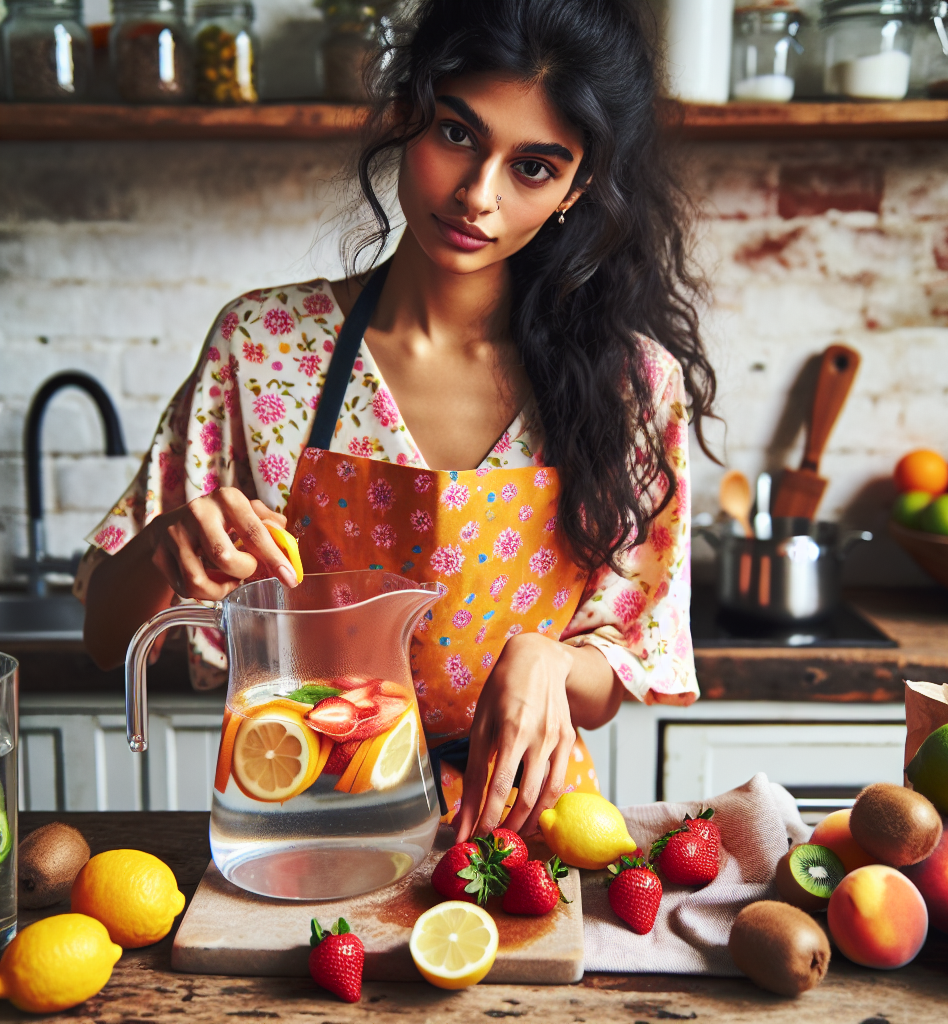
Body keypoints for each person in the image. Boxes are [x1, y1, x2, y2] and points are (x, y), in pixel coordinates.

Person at [77, 0, 715, 844]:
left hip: (518, 833)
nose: (477, 195)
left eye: (533, 167)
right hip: (307, 819)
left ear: (579, 187)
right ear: (408, 109)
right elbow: (104, 637)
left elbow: (621, 668)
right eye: (457, 134)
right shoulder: (262, 346)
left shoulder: (633, 384)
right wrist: (169, 542)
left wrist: (554, 659)